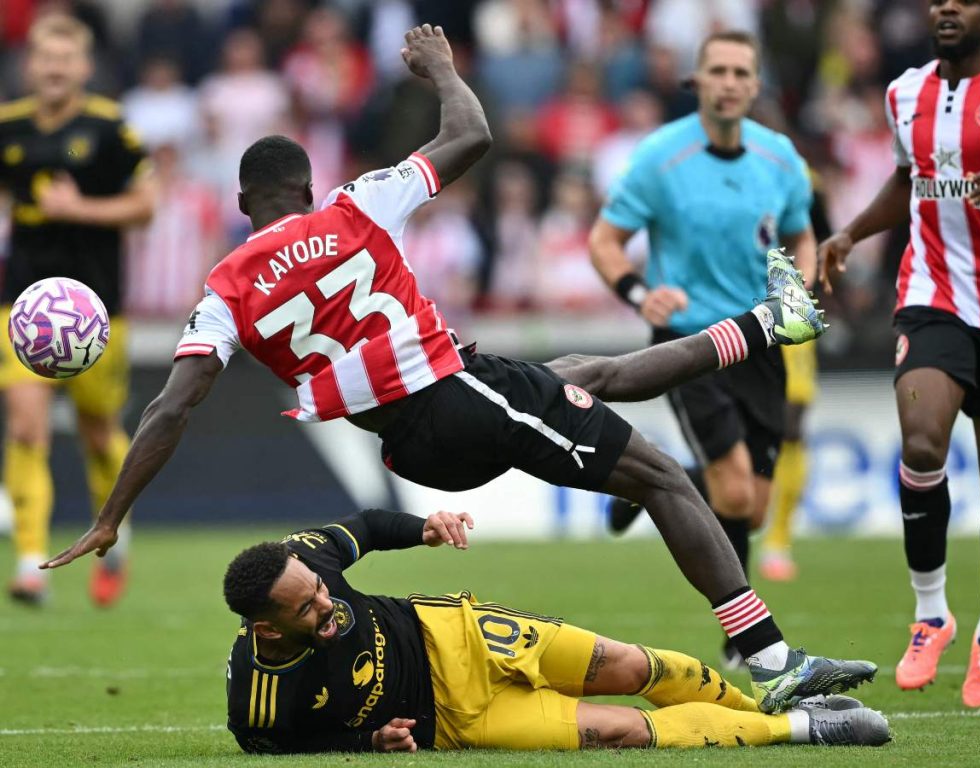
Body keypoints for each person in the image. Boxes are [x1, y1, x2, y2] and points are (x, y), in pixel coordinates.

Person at [43, 25, 872, 714]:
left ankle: (771, 321)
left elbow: (170, 410)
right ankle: (772, 661)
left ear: (241, 204)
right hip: (456, 395)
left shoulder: (221, 291)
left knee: (585, 372)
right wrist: (441, 66)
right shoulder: (355, 203)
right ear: (307, 184)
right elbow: (472, 135)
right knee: (662, 480)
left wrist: (113, 516)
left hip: (412, 449)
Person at [223, 507, 891, 753]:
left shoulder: (304, 556)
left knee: (633, 667)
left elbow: (365, 527)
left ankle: (767, 703)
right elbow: (278, 743)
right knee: (627, 731)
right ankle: (809, 728)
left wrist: (422, 527)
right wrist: (367, 740)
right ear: (266, 629)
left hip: (461, 633)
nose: (326, 604)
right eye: (307, 609)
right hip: (456, 720)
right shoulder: (257, 697)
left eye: (319, 588)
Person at [589, 30, 819, 667]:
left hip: (762, 339)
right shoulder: (661, 156)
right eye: (716, 69)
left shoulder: (780, 159)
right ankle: (745, 641)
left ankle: (652, 484)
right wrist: (640, 294)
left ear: (754, 83)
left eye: (740, 71)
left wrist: (799, 284)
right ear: (697, 80)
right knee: (739, 493)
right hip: (688, 345)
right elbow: (605, 241)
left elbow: (802, 236)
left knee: (754, 501)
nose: (728, 81)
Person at [818, 0, 980, 708]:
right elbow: (909, 180)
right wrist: (849, 233)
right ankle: (931, 612)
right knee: (924, 440)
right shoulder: (904, 91)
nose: (944, 8)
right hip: (932, 294)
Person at [0, 14, 155, 606]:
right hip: (22, 305)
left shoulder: (109, 128)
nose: (55, 67)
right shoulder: (8, 128)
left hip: (96, 312)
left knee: (96, 432)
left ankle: (115, 534)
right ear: (30, 65)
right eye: (45, 56)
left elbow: (147, 205)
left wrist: (77, 208)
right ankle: (29, 564)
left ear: (84, 68)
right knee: (24, 426)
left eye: (66, 58)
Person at [759, 169, 835, 583]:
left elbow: (822, 234)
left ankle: (778, 541)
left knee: (792, 422)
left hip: (789, 304)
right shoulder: (706, 163)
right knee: (727, 423)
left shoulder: (799, 174)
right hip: (729, 304)